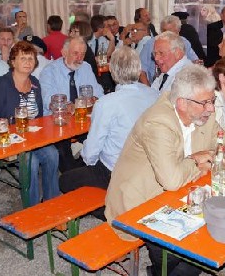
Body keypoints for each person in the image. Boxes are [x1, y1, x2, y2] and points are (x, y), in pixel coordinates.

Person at [106, 65, 225, 276]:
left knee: (209, 236)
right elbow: (172, 180)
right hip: (140, 202)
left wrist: (208, 156)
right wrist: (196, 160)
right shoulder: (158, 122)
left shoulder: (203, 115)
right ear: (182, 103)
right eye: (205, 102)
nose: (211, 108)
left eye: (212, 100)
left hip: (178, 194)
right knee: (182, 247)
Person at [58, 47, 158, 218]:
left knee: (65, 180)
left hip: (115, 171)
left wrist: (85, 156)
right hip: (148, 166)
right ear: (138, 69)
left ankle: (114, 213)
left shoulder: (107, 103)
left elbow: (91, 154)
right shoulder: (154, 94)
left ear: (112, 71)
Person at [0, 41, 60, 205]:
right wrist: (11, 128)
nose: (28, 62)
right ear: (13, 62)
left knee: (52, 154)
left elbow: (39, 116)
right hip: (7, 138)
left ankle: (51, 202)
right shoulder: (2, 84)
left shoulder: (35, 83)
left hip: (31, 137)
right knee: (31, 163)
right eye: (23, 58)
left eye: (31, 58)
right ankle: (32, 207)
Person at [39, 37, 104, 172]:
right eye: (75, 53)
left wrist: (94, 98)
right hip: (57, 124)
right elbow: (48, 101)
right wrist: (68, 106)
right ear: (64, 53)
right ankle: (73, 176)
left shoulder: (85, 67)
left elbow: (99, 93)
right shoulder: (49, 71)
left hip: (82, 122)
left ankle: (88, 170)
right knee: (64, 152)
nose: (79, 58)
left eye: (82, 54)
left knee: (101, 138)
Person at [140, 15, 198, 83]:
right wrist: (148, 88)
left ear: (178, 31)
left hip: (180, 81)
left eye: (170, 32)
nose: (167, 35)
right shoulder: (151, 43)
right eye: (164, 31)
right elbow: (141, 71)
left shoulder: (184, 42)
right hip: (156, 82)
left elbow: (195, 61)